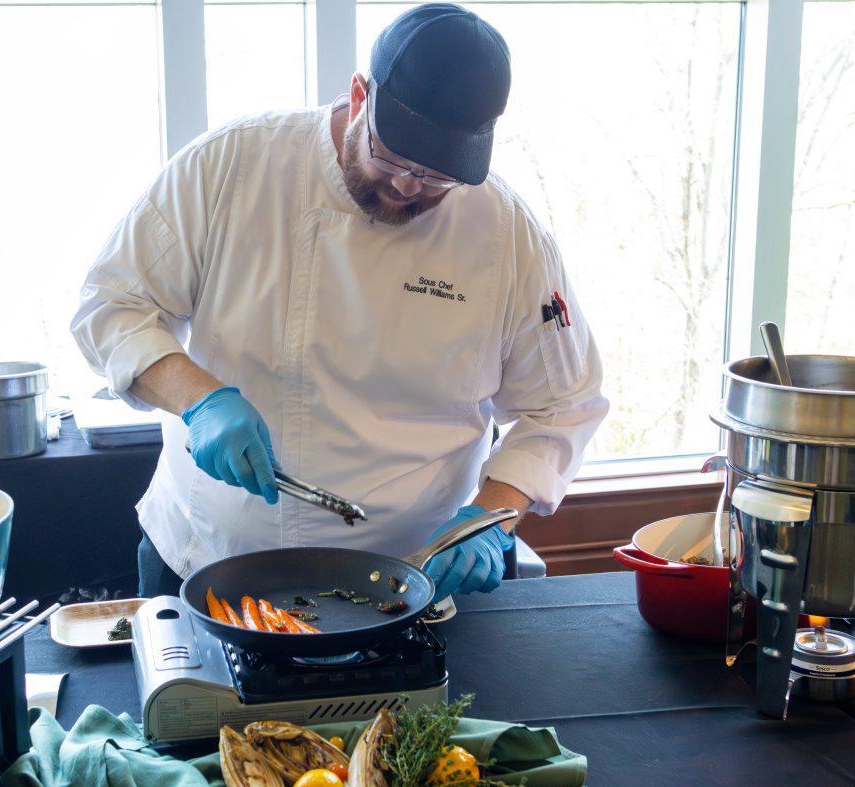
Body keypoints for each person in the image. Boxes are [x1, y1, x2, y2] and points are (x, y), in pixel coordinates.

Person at [72, 3, 609, 600]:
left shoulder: (506, 233)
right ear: (359, 96)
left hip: (414, 575)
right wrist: (201, 402)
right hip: (211, 556)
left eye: (436, 177)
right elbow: (111, 304)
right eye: (393, 157)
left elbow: (564, 404)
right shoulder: (232, 165)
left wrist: (491, 518)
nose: (408, 186)